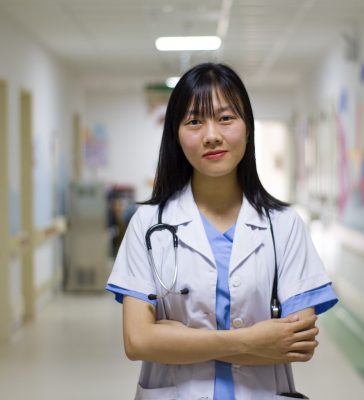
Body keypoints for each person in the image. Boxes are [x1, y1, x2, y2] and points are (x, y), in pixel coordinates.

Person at [106, 62, 338, 400]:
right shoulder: (148, 224)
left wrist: (176, 339)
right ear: (176, 134)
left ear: (247, 127)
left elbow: (296, 346)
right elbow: (138, 342)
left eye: (226, 118)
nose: (212, 134)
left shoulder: (284, 225)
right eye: (194, 121)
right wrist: (254, 341)